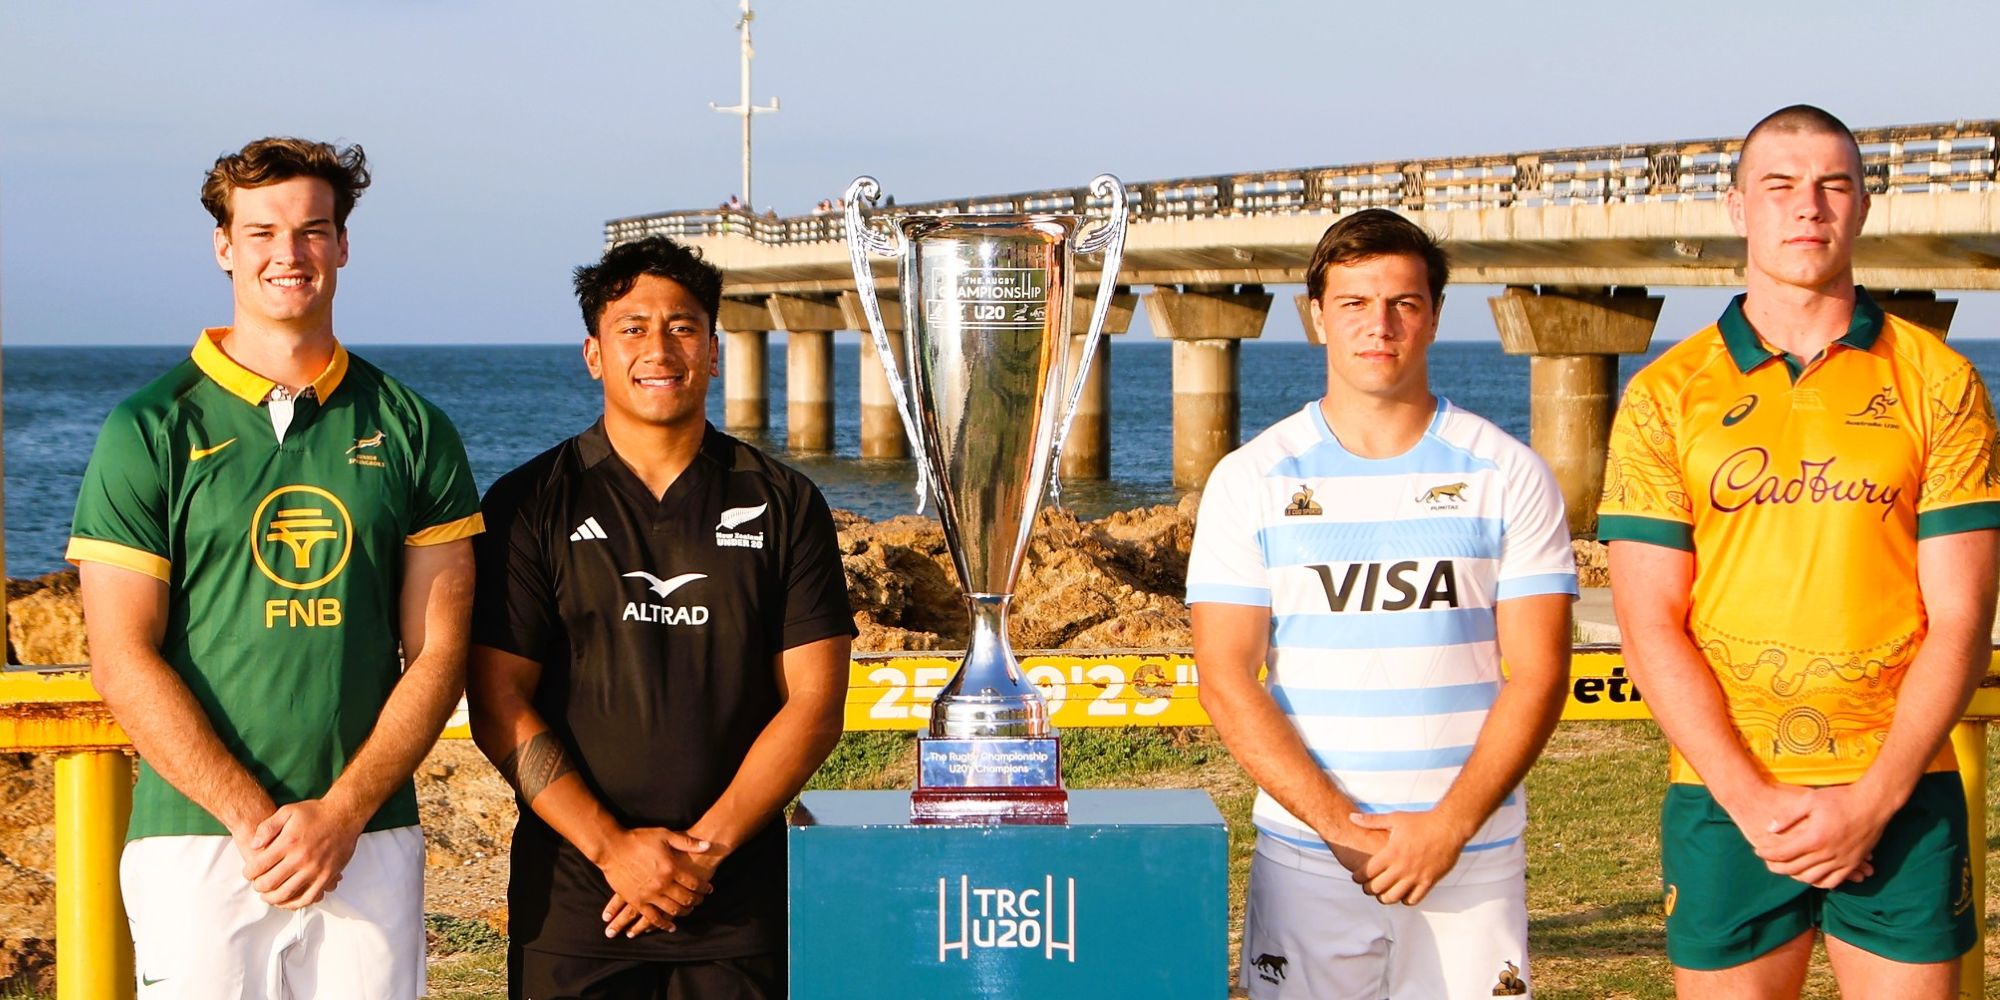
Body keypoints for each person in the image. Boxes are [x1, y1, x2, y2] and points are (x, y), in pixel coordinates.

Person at [69, 136, 482, 998]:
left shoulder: (413, 427)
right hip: (196, 838)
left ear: (342, 245)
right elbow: (121, 655)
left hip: (368, 836)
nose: (288, 253)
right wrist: (253, 818)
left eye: (311, 230)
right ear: (224, 246)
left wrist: (342, 814)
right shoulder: (149, 427)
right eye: (261, 232)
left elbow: (439, 651)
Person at [1601, 104, 1997, 998]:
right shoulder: (1665, 395)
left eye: (1833, 185)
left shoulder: (1941, 382)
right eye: (1779, 185)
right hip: (1725, 798)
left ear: (1864, 206)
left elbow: (1963, 616)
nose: (1807, 206)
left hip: (1904, 788)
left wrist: (1873, 800)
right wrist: (1750, 801)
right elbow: (1649, 623)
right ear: (1738, 207)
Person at [1187, 208, 1576, 998]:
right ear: (1317, 317)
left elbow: (1539, 673)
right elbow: (1225, 677)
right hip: (1309, 857)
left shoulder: (1508, 472)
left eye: (1403, 303)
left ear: (1433, 315)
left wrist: (1448, 827)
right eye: (1355, 303)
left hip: (1469, 857)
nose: (1380, 325)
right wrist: (1342, 829)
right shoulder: (1250, 478)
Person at [467, 235, 854, 999]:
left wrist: (701, 853)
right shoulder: (528, 502)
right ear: (593, 354)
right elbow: (497, 700)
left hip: (736, 906)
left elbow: (814, 703)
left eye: (682, 327)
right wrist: (613, 850)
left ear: (713, 352)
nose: (659, 349)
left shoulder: (783, 501)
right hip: (573, 908)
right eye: (633, 328)